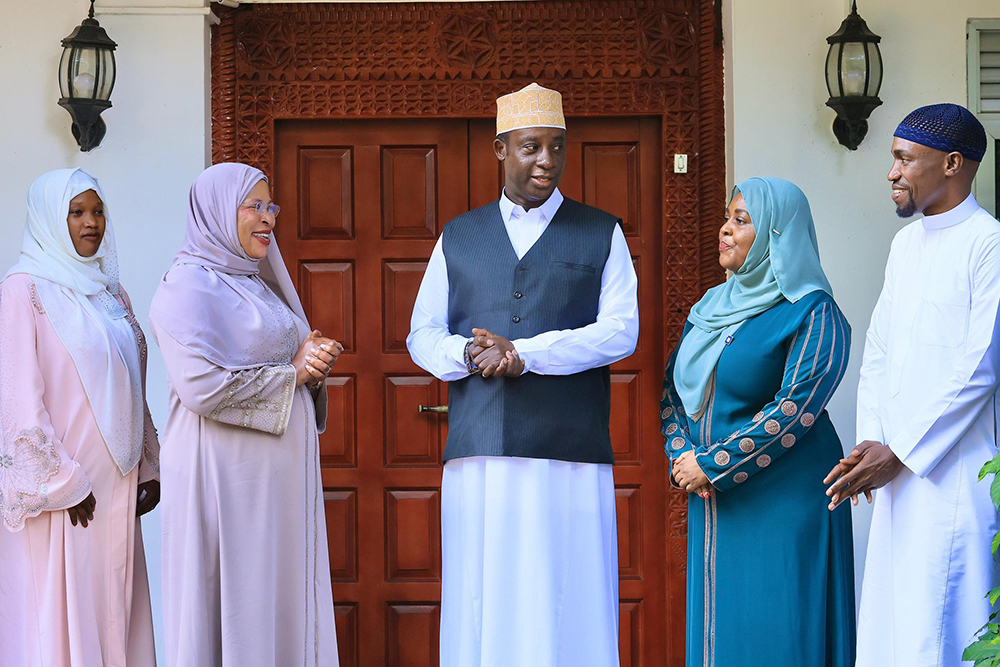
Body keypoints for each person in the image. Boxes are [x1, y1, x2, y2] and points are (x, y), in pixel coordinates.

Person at [407, 82, 639, 666]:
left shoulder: (601, 231)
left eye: (557, 148)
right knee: (485, 595)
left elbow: (620, 331)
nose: (547, 162)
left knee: (569, 591)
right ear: (500, 149)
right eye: (532, 147)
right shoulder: (458, 235)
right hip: (480, 449)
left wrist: (525, 353)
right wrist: (467, 354)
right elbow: (421, 333)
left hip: (570, 449)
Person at [825, 103, 1000, 667]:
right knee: (892, 631)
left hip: (951, 476)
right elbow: (878, 351)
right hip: (894, 473)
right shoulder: (905, 246)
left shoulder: (988, 243)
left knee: (946, 630)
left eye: (904, 158)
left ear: (951, 163)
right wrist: (871, 446)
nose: (892, 172)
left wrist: (900, 451)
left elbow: (981, 369)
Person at [149, 162, 342, 666]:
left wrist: (313, 366)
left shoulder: (256, 284)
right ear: (214, 211)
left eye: (270, 206)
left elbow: (290, 359)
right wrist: (294, 375)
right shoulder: (186, 287)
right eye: (253, 206)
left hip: (274, 491)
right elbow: (201, 387)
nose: (268, 219)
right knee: (236, 604)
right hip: (223, 482)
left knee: (275, 605)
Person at [663, 177, 856, 667]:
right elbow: (673, 393)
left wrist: (714, 464)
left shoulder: (813, 311)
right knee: (720, 627)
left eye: (741, 221)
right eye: (728, 218)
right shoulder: (711, 308)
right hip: (715, 495)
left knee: (777, 625)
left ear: (775, 234)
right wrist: (682, 457)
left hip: (784, 497)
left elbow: (796, 409)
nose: (725, 230)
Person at [0, 168, 160, 666]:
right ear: (51, 219)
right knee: (62, 617)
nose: (91, 223)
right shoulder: (22, 291)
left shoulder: (112, 295)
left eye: (97, 211)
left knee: (114, 610)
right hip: (68, 493)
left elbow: (134, 384)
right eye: (76, 212)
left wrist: (149, 465)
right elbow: (17, 396)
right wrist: (61, 484)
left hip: (117, 484)